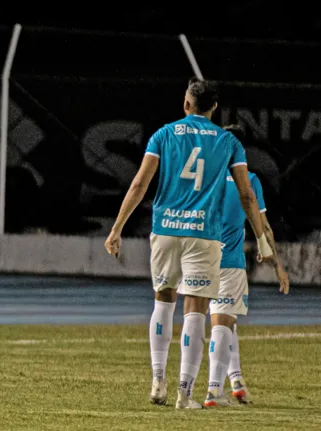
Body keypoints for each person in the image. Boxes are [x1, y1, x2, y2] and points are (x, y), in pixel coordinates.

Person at [103, 78, 276, 409]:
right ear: (214, 108)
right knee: (195, 309)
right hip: (203, 234)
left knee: (163, 302)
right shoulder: (229, 142)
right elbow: (245, 193)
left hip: (166, 229)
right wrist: (261, 238)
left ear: (186, 104)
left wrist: (117, 228)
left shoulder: (164, 134)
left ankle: (157, 380)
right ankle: (185, 393)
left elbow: (140, 183)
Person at [203, 124, 290, 407]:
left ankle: (237, 382)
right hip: (229, 261)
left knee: (227, 320)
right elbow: (262, 225)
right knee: (222, 323)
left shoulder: (207, 178)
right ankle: (214, 390)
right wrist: (275, 262)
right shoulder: (249, 180)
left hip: (199, 257)